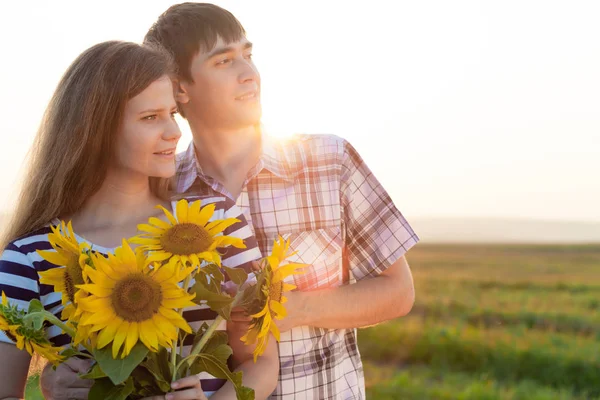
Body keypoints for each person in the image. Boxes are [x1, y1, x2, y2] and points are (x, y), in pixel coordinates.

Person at [141, 3, 419, 399]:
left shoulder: (329, 161)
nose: (249, 74)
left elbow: (399, 292)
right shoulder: (163, 196)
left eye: (248, 56)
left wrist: (298, 309)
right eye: (224, 61)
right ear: (180, 87)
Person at [0, 40, 278, 400]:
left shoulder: (215, 224)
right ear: (95, 129)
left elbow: (262, 362)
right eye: (150, 118)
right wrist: (57, 393)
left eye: (173, 113)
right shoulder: (29, 258)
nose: (174, 132)